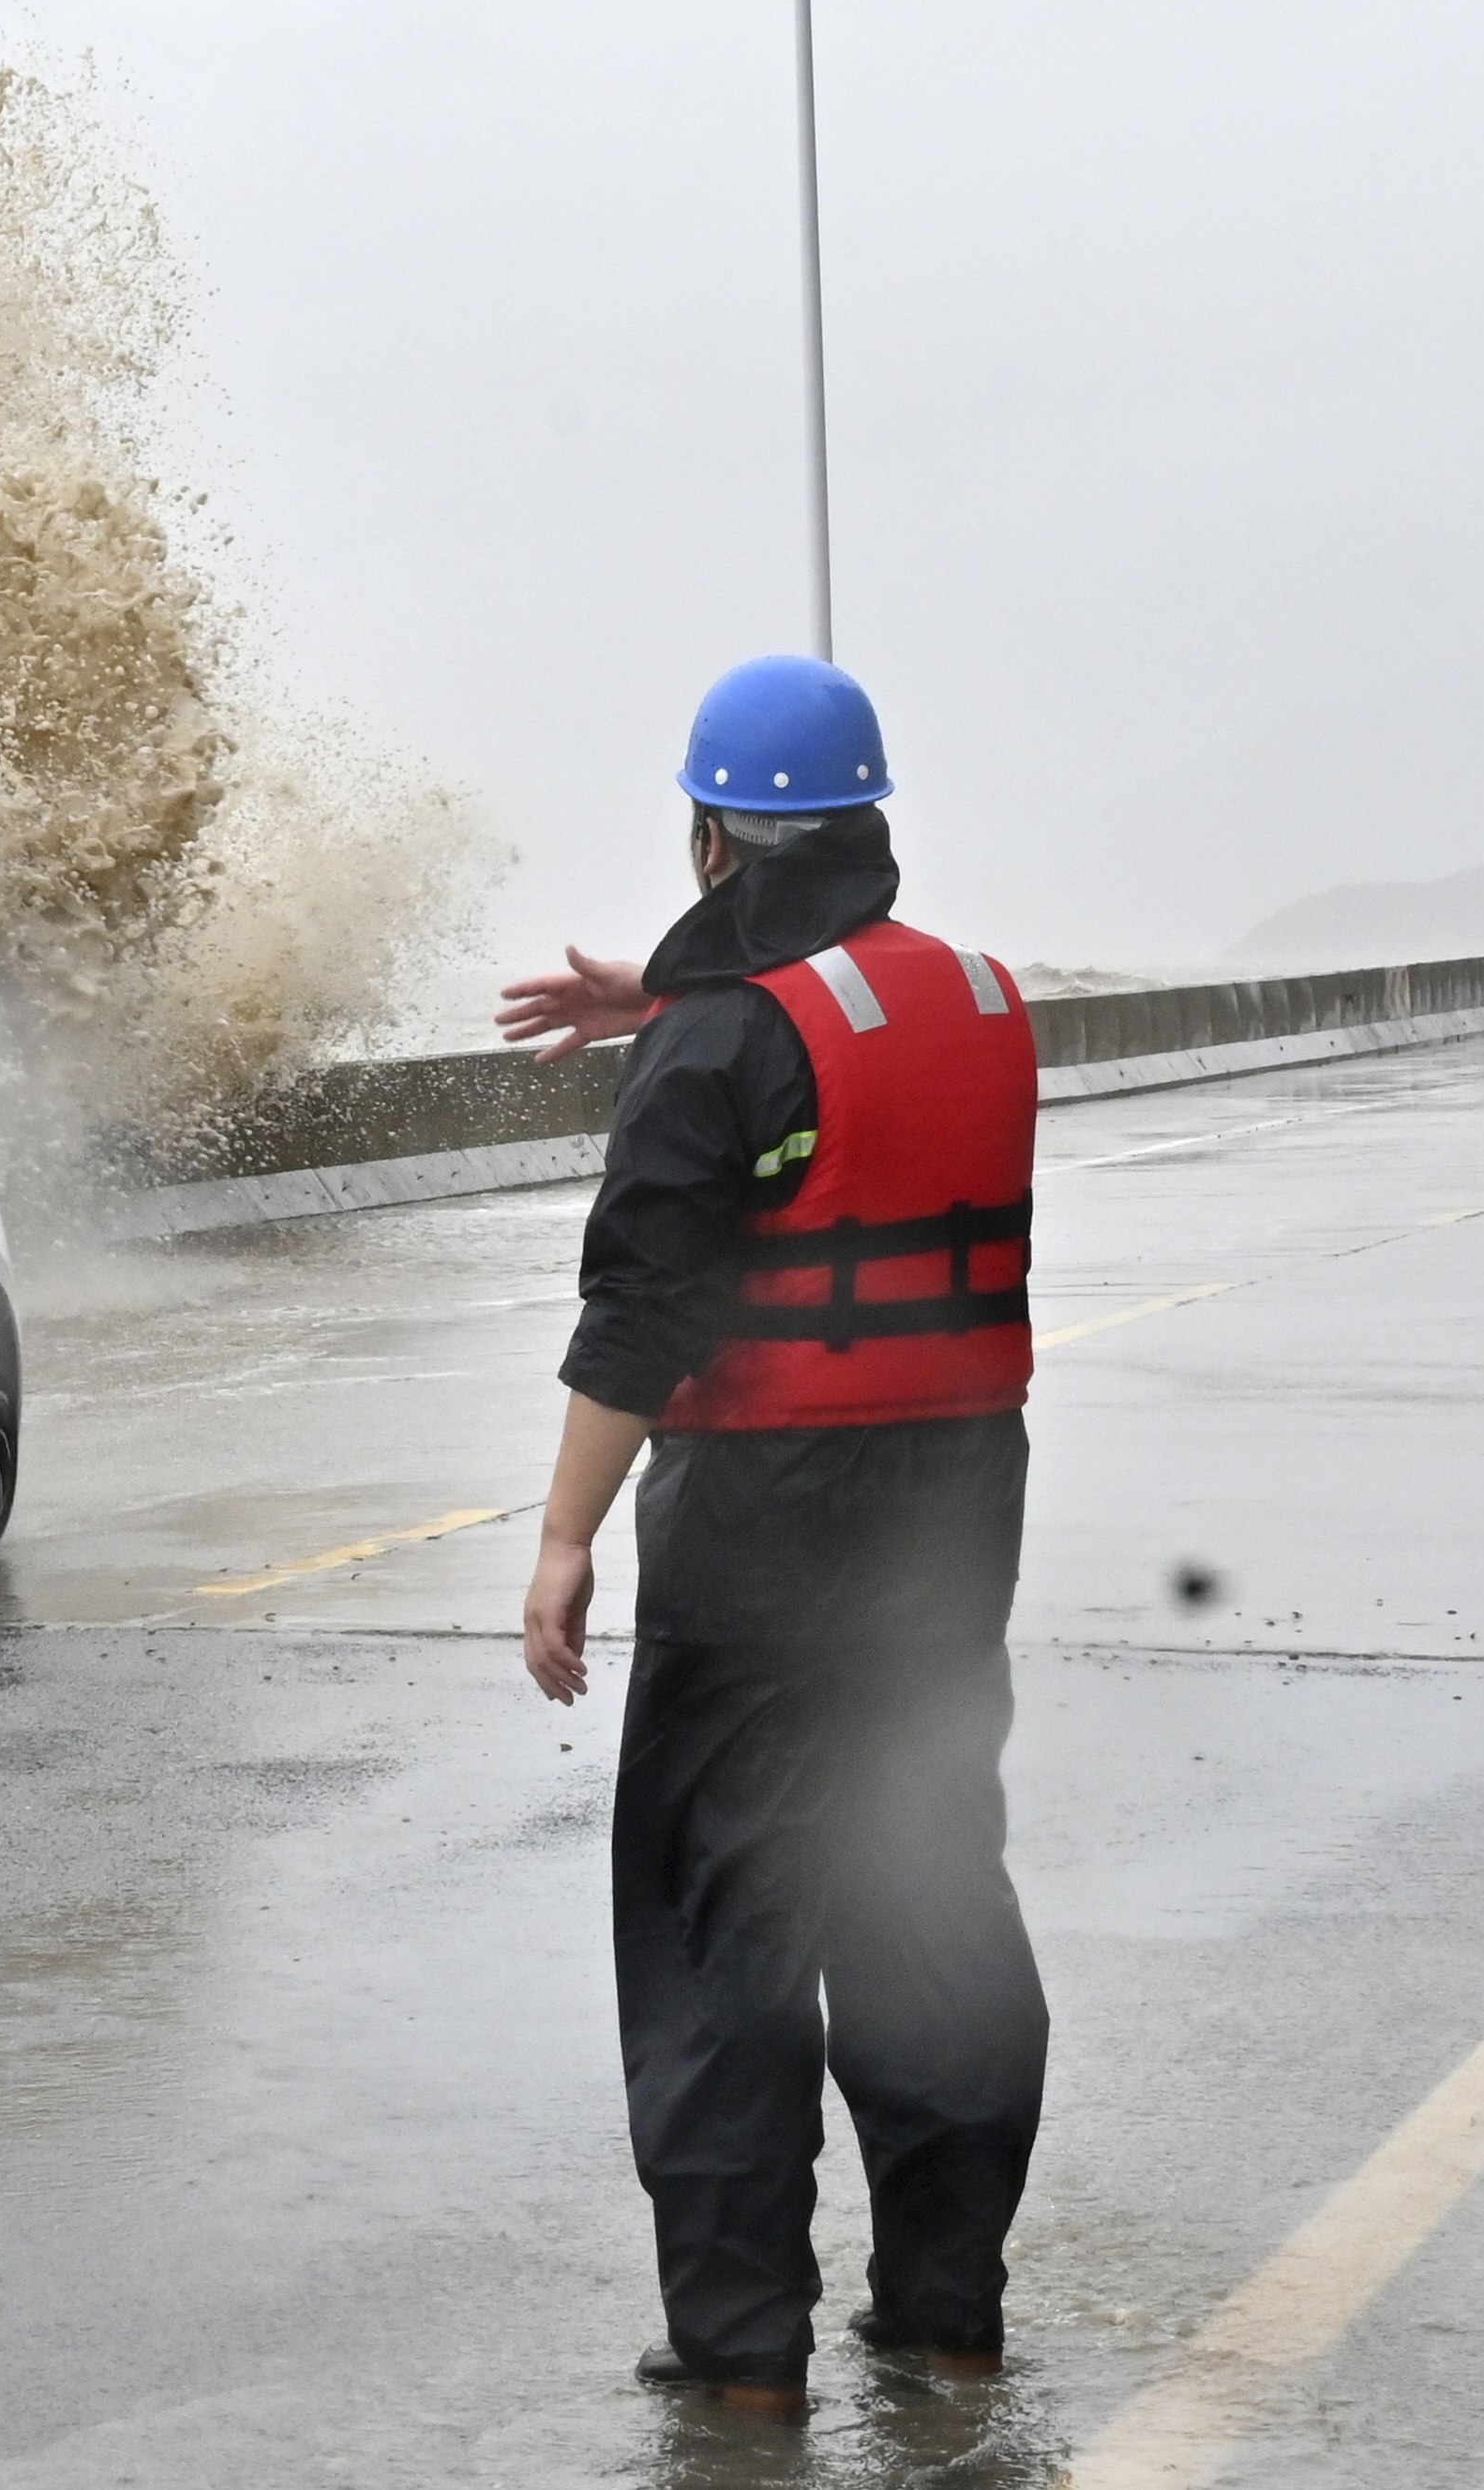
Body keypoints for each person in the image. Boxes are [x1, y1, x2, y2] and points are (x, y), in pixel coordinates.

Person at [495, 654, 1048, 2418]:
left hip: (763, 1525)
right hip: (955, 1510)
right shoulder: (982, 992)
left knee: (728, 1913)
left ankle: (743, 2360)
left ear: (711, 833)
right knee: (929, 1877)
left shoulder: (724, 1040)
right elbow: (829, 1052)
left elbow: (639, 1315)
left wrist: (567, 1537)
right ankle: (950, 2305)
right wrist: (669, 1001)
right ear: (869, 818)